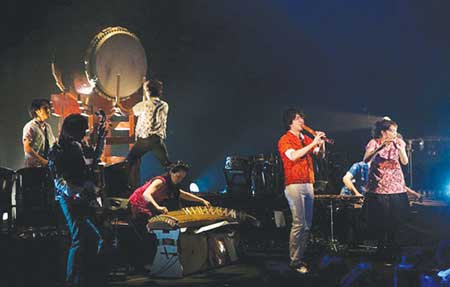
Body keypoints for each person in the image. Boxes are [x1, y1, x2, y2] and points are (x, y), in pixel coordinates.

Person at [48, 113, 107, 287]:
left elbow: (94, 157)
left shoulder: (77, 145)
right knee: (79, 238)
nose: (85, 132)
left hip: (82, 195)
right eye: (83, 130)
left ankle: (86, 277)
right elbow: (58, 181)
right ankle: (71, 281)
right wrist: (77, 192)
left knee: (97, 237)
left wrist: (101, 137)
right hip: (69, 198)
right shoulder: (57, 150)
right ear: (73, 130)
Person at [278, 108, 326, 274]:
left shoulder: (305, 138)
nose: (301, 121)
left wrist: (321, 142)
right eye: (298, 118)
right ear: (290, 122)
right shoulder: (285, 139)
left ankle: (299, 258)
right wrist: (313, 142)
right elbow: (293, 156)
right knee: (299, 222)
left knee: (307, 224)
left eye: (301, 118)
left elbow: (319, 155)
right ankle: (294, 260)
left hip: (308, 182)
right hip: (294, 184)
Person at [363, 118, 410, 256]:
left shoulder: (399, 142)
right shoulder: (374, 142)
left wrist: (401, 149)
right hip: (378, 187)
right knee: (380, 219)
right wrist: (380, 147)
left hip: (396, 187)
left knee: (395, 218)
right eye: (393, 131)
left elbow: (405, 161)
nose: (395, 133)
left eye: (396, 130)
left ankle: (393, 247)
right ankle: (380, 248)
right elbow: (365, 159)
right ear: (384, 132)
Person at [126, 79, 171, 188]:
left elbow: (129, 113)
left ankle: (128, 186)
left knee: (129, 162)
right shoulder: (165, 105)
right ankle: (172, 185)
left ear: (147, 91)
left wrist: (118, 108)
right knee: (167, 165)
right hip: (157, 140)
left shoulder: (143, 105)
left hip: (145, 140)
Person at [22, 99, 56, 167]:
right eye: (45, 108)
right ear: (37, 111)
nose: (48, 110)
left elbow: (53, 144)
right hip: (33, 168)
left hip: (45, 167)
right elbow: (27, 147)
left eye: (49, 108)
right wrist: (42, 160)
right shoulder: (31, 126)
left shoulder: (48, 127)